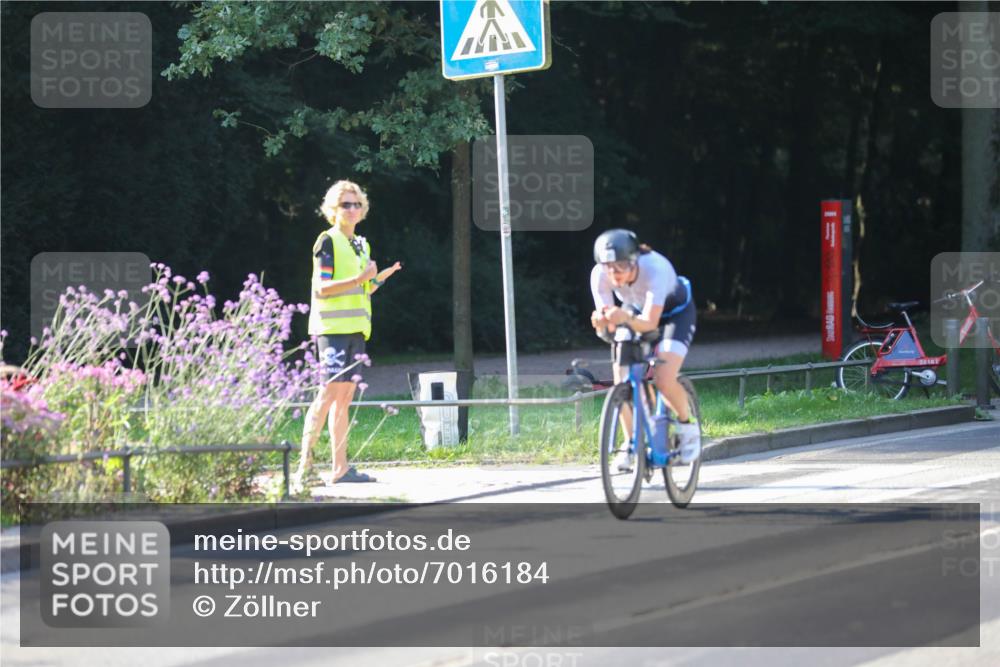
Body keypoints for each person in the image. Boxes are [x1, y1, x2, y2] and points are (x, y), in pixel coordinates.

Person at [294, 180, 402, 487]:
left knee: (345, 400)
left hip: (357, 331)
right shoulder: (326, 241)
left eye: (356, 204)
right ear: (333, 209)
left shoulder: (361, 244)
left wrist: (379, 278)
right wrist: (360, 278)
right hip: (332, 330)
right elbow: (322, 289)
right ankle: (305, 466)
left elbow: (364, 289)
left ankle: (340, 469)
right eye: (346, 204)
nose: (352, 209)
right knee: (327, 394)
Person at [589, 228, 700, 466]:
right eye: (608, 267)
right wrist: (601, 324)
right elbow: (608, 326)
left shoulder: (654, 269)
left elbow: (650, 323)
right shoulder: (599, 275)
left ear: (634, 260)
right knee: (622, 378)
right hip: (635, 310)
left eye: (620, 267)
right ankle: (630, 443)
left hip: (674, 315)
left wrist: (620, 319)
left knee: (664, 378)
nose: (614, 274)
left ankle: (687, 428)